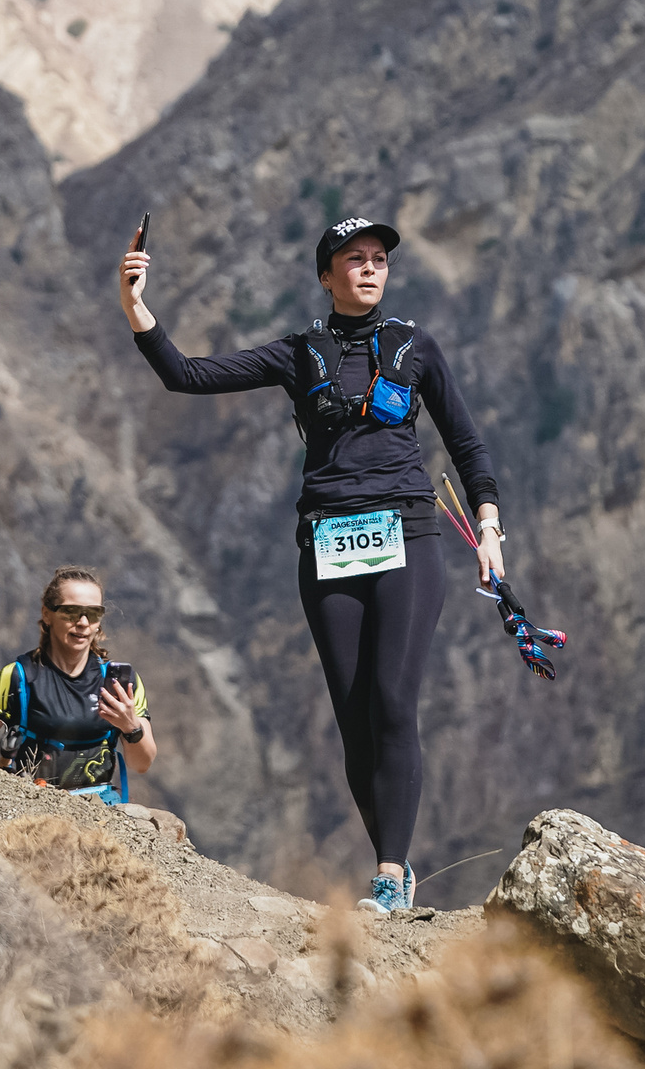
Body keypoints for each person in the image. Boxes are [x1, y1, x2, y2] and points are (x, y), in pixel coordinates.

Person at [119, 216, 504, 913]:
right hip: (328, 542)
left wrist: (489, 531)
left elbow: (468, 446)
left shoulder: (417, 348)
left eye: (379, 258)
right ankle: (394, 858)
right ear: (327, 275)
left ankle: (388, 872)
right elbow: (187, 375)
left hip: (408, 534)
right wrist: (138, 307)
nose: (368, 267)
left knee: (392, 698)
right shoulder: (301, 354)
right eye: (353, 258)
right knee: (355, 715)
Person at [0, 566, 156, 801]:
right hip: (31, 805)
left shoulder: (120, 683)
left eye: (93, 614)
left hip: (101, 810)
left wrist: (131, 728)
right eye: (71, 612)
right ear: (47, 614)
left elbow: (142, 764)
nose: (82, 622)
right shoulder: (17, 676)